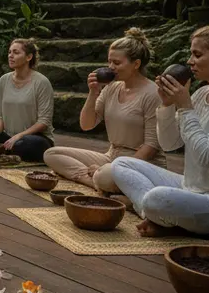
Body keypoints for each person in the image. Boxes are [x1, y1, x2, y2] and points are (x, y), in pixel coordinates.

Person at [111, 24, 209, 244]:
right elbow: (169, 144)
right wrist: (167, 106)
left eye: (197, 54)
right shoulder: (202, 93)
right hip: (196, 189)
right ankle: (157, 216)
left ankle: (160, 215)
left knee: (157, 198)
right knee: (121, 165)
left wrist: (185, 107)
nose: (189, 61)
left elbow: (207, 156)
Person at [44, 28, 164, 193]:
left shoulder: (153, 93)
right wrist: (93, 92)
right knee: (51, 154)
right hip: (112, 155)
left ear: (136, 64)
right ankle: (95, 182)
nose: (110, 67)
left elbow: (151, 147)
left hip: (141, 164)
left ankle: (102, 179)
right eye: (109, 62)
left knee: (106, 175)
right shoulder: (111, 87)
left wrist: (113, 168)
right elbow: (87, 125)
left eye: (117, 63)